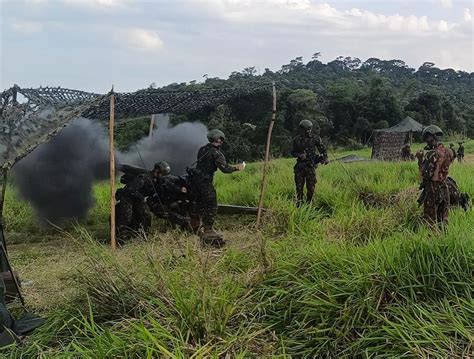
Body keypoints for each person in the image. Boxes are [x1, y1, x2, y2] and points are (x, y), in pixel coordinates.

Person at [188, 129, 244, 247]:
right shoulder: (216, 153)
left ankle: (195, 226)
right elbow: (225, 169)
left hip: (195, 181)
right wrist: (237, 168)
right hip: (205, 182)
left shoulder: (202, 149)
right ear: (220, 140)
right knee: (211, 205)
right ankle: (208, 229)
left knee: (198, 203)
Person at [115, 162, 173, 240]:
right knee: (126, 217)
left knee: (146, 215)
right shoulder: (144, 177)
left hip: (137, 198)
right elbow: (130, 190)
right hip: (127, 197)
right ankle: (120, 237)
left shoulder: (156, 179)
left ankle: (143, 235)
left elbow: (166, 184)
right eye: (162, 174)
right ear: (157, 171)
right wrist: (142, 198)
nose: (162, 176)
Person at [416, 125, 455, 226]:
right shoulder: (449, 152)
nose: (427, 141)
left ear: (433, 137)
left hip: (433, 190)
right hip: (445, 187)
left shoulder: (431, 154)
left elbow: (425, 175)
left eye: (427, 138)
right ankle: (444, 239)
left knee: (430, 221)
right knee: (443, 219)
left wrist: (420, 160)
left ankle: (431, 240)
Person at [291, 120, 328, 206]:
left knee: (311, 187)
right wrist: (300, 155)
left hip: (311, 166)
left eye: (309, 129)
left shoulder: (315, 138)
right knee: (299, 188)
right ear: (301, 130)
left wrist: (325, 158)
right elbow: (293, 152)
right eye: (306, 129)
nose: (308, 131)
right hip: (300, 167)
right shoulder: (296, 140)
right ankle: (299, 204)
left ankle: (309, 204)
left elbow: (322, 148)